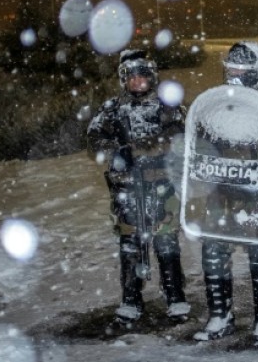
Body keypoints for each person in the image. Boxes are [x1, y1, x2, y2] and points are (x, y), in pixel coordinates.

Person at [192, 41, 258, 347]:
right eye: (232, 67)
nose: (236, 73)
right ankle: (220, 316)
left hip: (257, 190)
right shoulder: (218, 99)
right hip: (221, 189)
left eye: (243, 69)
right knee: (214, 252)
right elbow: (201, 133)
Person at [87, 49, 190, 325]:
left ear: (151, 78)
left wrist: (143, 149)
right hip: (127, 190)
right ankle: (131, 299)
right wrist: (116, 152)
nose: (137, 83)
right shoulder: (112, 109)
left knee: (166, 242)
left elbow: (179, 136)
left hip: (161, 187)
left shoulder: (167, 106)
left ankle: (175, 296)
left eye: (141, 77)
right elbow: (94, 139)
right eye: (131, 78)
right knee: (130, 245)